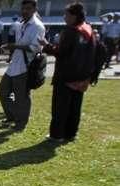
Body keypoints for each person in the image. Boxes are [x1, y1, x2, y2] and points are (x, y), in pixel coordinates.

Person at [42, 3, 99, 142]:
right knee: (75, 107)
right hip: (82, 76)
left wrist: (46, 46)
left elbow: (61, 52)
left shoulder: (70, 31)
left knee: (60, 107)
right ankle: (71, 133)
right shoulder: (88, 30)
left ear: (74, 16)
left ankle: (57, 134)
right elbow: (97, 52)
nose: (64, 17)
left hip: (66, 75)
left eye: (66, 14)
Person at [0, 0, 45, 131]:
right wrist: (10, 49)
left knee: (22, 97)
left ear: (34, 9)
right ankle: (12, 116)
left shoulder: (38, 26)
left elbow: (35, 48)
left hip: (26, 66)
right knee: (3, 91)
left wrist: (14, 46)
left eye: (28, 9)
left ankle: (21, 124)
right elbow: (19, 43)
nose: (24, 11)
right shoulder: (21, 24)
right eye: (23, 8)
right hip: (14, 64)